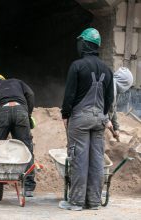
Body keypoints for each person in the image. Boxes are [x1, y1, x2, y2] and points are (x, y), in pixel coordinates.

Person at [60, 28, 114, 210]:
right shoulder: (107, 69)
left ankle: (76, 202)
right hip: (99, 119)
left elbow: (69, 95)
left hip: (80, 120)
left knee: (79, 159)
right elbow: (109, 99)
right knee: (97, 160)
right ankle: (93, 202)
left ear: (84, 44)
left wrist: (65, 115)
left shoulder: (77, 66)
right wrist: (102, 115)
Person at [0, 74, 36, 197]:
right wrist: (27, 113)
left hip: (2, 112)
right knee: (26, 148)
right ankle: (29, 187)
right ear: (3, 79)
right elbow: (30, 94)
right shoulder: (17, 81)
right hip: (21, 111)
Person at [108, 67, 133, 138]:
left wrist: (116, 128)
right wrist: (106, 120)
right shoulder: (111, 87)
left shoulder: (115, 86)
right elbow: (103, 107)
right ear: (124, 83)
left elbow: (113, 108)